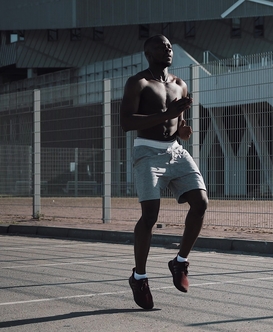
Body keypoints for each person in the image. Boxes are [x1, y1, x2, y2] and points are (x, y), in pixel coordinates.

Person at [120, 34, 208, 310]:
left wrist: (182, 128)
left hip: (175, 150)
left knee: (201, 202)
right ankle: (140, 277)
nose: (168, 49)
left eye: (170, 46)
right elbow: (125, 122)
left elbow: (179, 123)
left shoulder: (180, 84)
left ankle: (180, 261)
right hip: (147, 152)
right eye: (161, 46)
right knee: (150, 216)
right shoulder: (138, 82)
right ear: (148, 52)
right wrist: (167, 114)